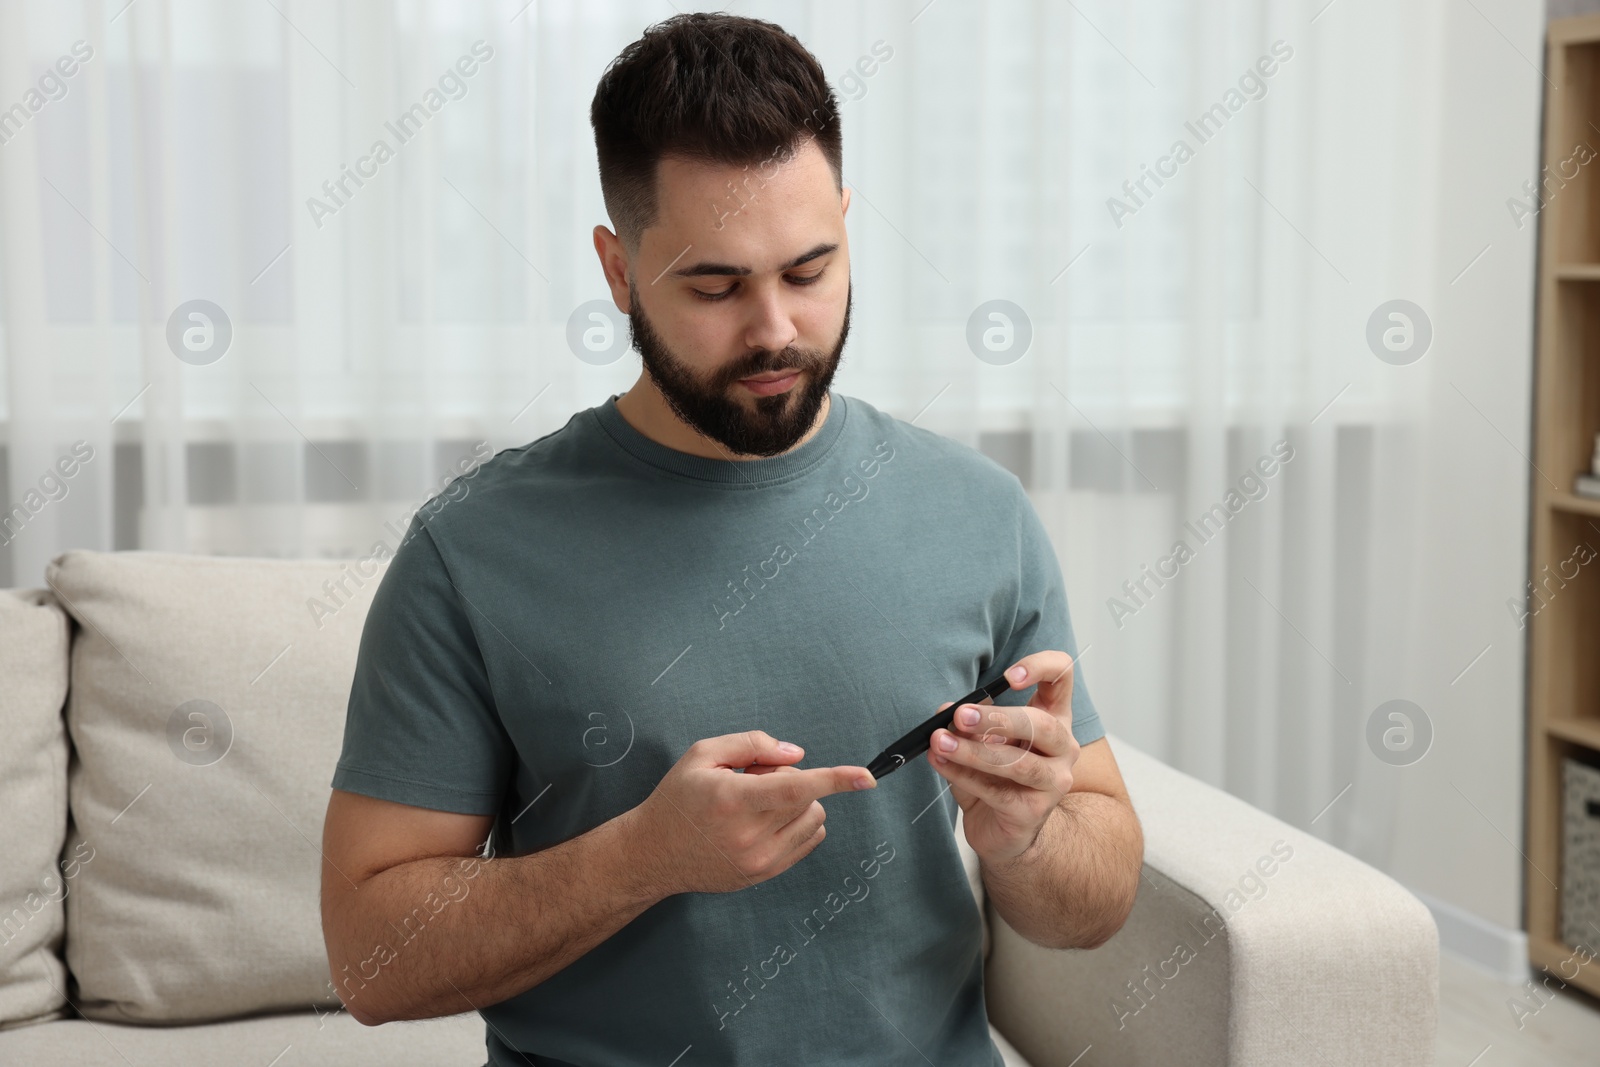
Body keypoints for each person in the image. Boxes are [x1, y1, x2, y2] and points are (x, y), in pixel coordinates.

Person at [319, 12, 1142, 1066]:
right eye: (714, 286)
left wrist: (1030, 836)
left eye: (809, 270)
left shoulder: (978, 514)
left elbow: (1098, 897)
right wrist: (643, 857)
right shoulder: (470, 552)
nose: (775, 330)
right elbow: (371, 961)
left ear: (847, 223)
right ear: (618, 273)